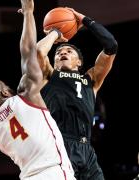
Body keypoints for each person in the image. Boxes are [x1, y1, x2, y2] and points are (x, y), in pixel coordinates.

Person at [0, 0, 76, 180]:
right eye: (3, 84)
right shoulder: (26, 95)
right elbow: (28, 51)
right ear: (3, 92)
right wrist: (29, 13)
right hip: (54, 173)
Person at [37, 8, 118, 180]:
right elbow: (38, 52)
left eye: (68, 51)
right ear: (54, 62)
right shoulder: (49, 75)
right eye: (58, 53)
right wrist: (55, 33)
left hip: (87, 149)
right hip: (59, 145)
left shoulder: (92, 79)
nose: (62, 53)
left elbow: (111, 45)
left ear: (79, 62)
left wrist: (85, 20)